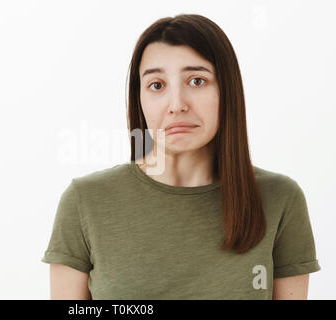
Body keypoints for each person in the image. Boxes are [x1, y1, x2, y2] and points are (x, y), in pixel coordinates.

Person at [41, 13, 321, 300]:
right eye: (157, 85)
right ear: (140, 98)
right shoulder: (85, 201)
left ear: (227, 90)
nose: (176, 105)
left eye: (197, 81)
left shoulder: (280, 200)